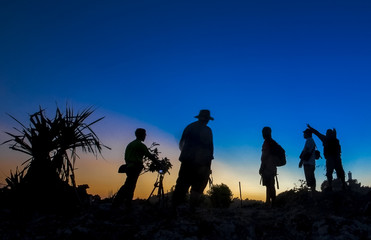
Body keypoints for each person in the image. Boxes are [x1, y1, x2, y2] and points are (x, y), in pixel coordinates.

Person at [172, 110, 214, 209]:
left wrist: (186, 155)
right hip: (201, 164)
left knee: (182, 184)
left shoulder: (189, 127)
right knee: (198, 186)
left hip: (186, 161)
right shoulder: (207, 130)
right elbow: (209, 150)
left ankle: (175, 208)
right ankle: (192, 209)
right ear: (206, 119)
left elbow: (181, 144)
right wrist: (208, 166)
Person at [112, 128, 157, 208]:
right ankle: (119, 202)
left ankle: (125, 203)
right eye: (144, 134)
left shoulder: (130, 144)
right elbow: (150, 156)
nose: (145, 136)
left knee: (130, 185)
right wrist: (159, 164)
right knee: (129, 185)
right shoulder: (140, 145)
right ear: (142, 135)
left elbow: (126, 156)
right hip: (135, 167)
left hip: (129, 167)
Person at [306, 124, 346, 191]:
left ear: (327, 134)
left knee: (330, 173)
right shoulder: (335, 140)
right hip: (337, 158)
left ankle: (331, 186)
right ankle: (343, 185)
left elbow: (317, 133)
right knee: (340, 172)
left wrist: (310, 128)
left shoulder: (325, 138)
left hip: (330, 159)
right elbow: (317, 133)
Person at [259, 126, 281, 206]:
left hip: (267, 167)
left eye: (263, 133)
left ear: (265, 133)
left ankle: (271, 202)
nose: (262, 134)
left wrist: (261, 167)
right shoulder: (272, 142)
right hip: (272, 167)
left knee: (269, 185)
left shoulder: (267, 142)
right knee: (270, 185)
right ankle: (270, 202)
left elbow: (264, 156)